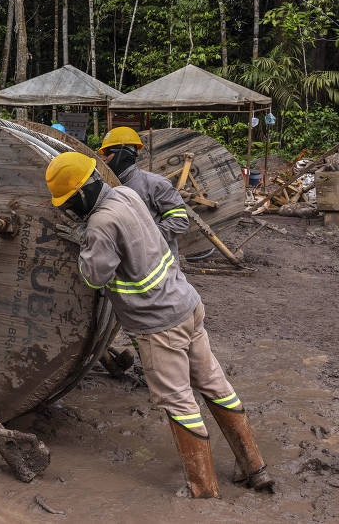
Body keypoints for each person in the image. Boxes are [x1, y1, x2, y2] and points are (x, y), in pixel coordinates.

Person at [45, 152, 273, 498]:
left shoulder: (100, 225)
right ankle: (255, 467)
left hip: (157, 324)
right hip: (187, 304)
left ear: (80, 194)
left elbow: (94, 277)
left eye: (68, 203)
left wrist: (83, 241)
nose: (67, 210)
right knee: (214, 384)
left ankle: (204, 491)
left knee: (179, 403)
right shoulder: (127, 194)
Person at [97, 127, 189, 257]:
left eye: (107, 152)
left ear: (123, 154)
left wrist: (143, 239)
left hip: (160, 268)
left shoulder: (155, 184)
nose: (103, 158)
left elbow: (179, 221)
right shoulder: (104, 186)